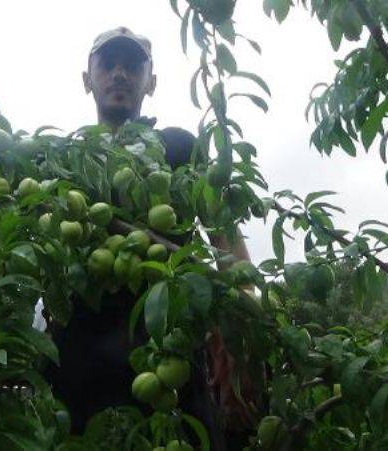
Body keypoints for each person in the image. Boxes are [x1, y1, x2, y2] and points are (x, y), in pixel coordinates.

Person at [44, 27, 254, 449]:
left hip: (169, 360)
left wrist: (243, 327)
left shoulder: (177, 147)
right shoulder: (63, 162)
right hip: (78, 360)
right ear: (87, 79)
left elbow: (226, 240)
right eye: (107, 64)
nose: (119, 74)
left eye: (132, 65)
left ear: (151, 82)